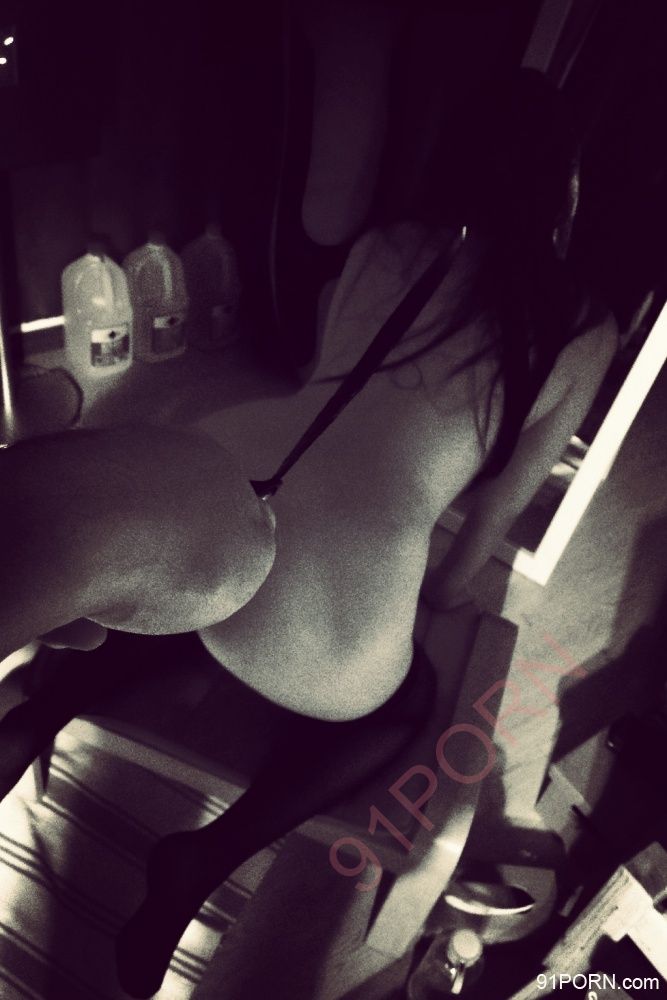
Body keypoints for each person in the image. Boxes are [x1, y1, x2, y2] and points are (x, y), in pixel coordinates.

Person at [1, 67, 617, 997]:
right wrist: (423, 595)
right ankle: (203, 861)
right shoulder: (581, 329)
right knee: (405, 703)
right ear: (562, 185)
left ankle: (36, 711)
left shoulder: (386, 245)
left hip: (226, 474)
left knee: (200, 584)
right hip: (327, 593)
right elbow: (489, 522)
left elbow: (330, 383)